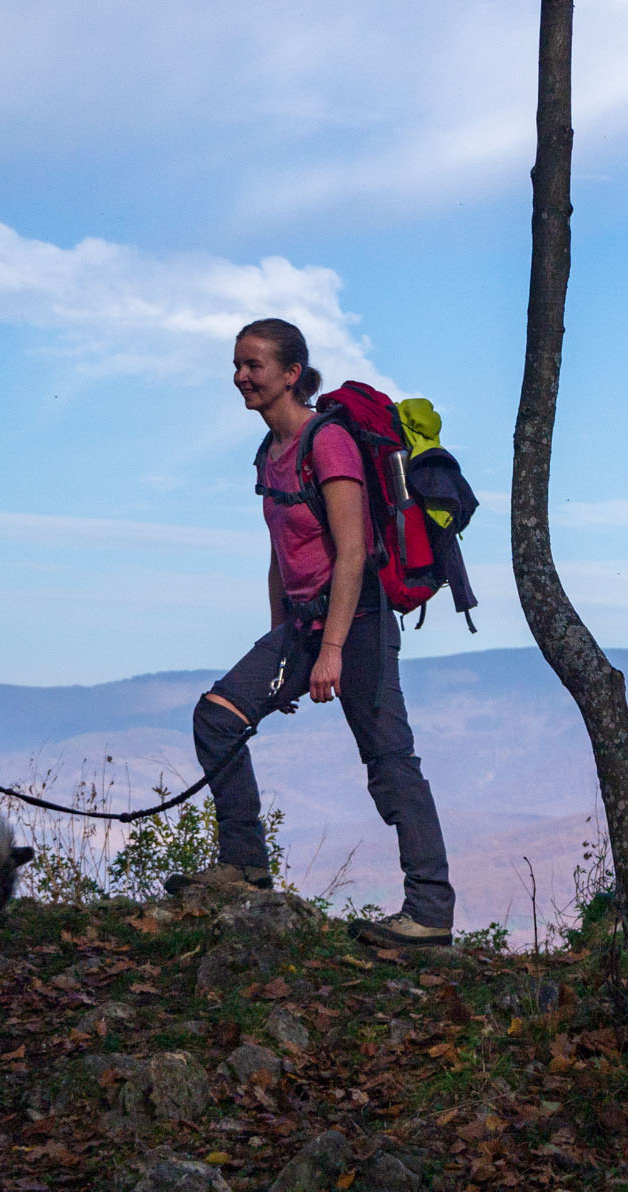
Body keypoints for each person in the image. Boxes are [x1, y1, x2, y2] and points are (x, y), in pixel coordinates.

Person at [182, 317, 456, 948]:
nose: (241, 376)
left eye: (254, 365)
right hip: (302, 625)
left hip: (357, 622)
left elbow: (354, 551)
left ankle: (430, 913)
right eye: (237, 364)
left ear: (291, 374)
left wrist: (329, 651)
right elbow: (282, 552)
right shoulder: (268, 453)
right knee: (217, 718)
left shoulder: (327, 443)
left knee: (389, 760)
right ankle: (245, 866)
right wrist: (281, 644)